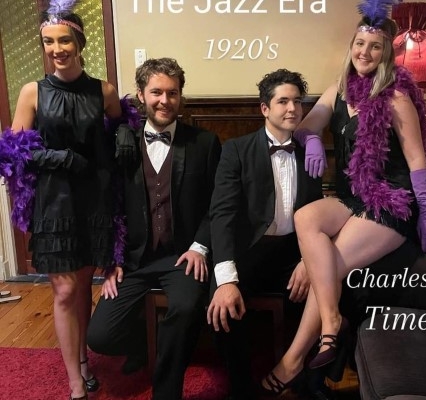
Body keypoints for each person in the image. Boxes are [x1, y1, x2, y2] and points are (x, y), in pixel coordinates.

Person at [260, 1, 426, 395]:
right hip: (353, 196)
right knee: (307, 217)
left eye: (375, 47)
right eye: (360, 44)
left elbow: (416, 160)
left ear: (386, 53)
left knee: (330, 267)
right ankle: (331, 323)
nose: (365, 52)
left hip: (390, 201)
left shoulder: (395, 98)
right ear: (352, 46)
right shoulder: (340, 88)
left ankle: (294, 359)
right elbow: (308, 124)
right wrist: (310, 139)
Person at [0, 2, 122, 399]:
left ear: (79, 43)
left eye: (64, 40)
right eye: (48, 42)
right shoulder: (32, 92)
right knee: (65, 291)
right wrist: (60, 158)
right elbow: (14, 152)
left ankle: (83, 361)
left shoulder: (104, 91)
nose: (56, 49)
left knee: (84, 286)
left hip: (93, 202)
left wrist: (121, 139)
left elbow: (120, 134)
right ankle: (74, 382)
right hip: (54, 203)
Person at [86, 57, 222, 400]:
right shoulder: (122, 142)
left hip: (183, 256)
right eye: (157, 92)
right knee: (99, 337)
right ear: (141, 95)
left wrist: (200, 246)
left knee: (187, 307)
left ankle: (166, 391)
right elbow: (108, 203)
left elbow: (218, 204)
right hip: (135, 260)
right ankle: (147, 343)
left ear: (180, 96)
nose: (165, 100)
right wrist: (113, 259)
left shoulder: (205, 143)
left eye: (172, 93)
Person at [206, 69, 324, 399]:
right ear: (265, 108)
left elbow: (317, 212)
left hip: (292, 251)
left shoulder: (310, 153)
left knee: (330, 288)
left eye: (297, 101)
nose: (293, 108)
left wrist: (308, 260)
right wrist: (226, 279)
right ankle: (241, 389)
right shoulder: (236, 150)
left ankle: (307, 380)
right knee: (223, 307)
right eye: (283, 101)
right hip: (249, 252)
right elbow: (222, 215)